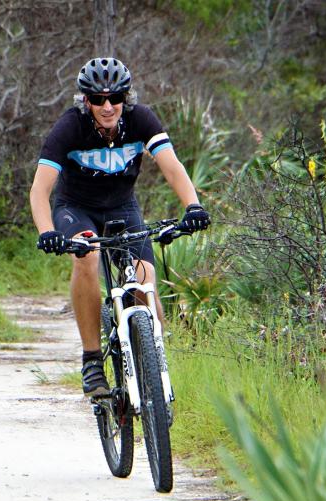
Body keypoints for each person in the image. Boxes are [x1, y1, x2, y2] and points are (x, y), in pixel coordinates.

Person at [30, 57, 210, 398]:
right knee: (87, 257)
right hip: (75, 208)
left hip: (122, 207)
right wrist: (46, 231)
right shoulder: (69, 127)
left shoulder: (141, 119)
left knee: (145, 281)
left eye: (115, 98)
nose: (107, 106)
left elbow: (171, 166)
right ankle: (92, 359)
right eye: (98, 99)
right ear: (86, 101)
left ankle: (155, 366)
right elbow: (40, 190)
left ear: (126, 98)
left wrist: (193, 205)